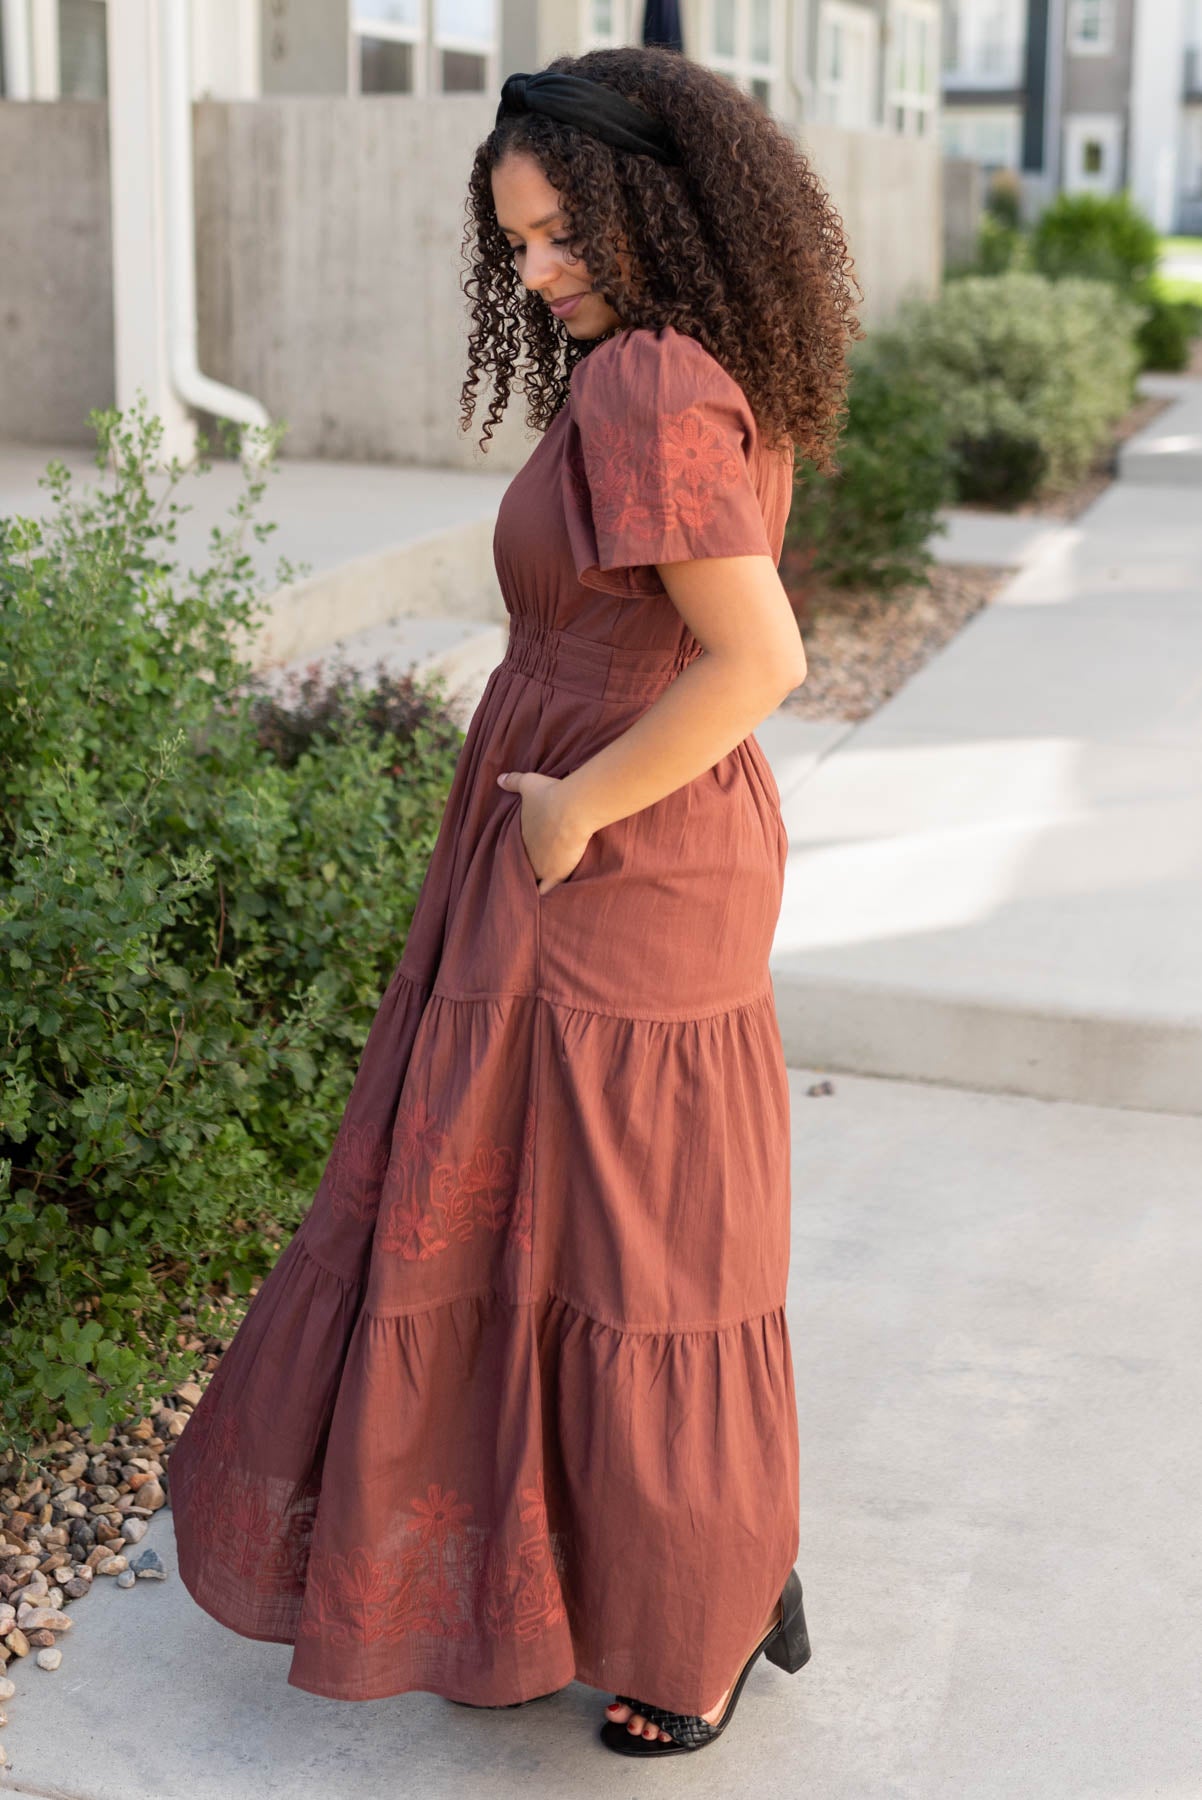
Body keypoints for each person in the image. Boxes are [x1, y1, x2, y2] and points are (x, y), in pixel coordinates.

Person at [167, 44, 860, 1762]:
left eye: (560, 238)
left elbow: (756, 655)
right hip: (621, 831)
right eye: (520, 245)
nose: (538, 274)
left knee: (621, 1246)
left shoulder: (646, 379)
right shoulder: (694, 357)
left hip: (612, 849)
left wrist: (569, 808)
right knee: (623, 1230)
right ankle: (720, 1561)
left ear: (649, 209)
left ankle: (695, 1614)